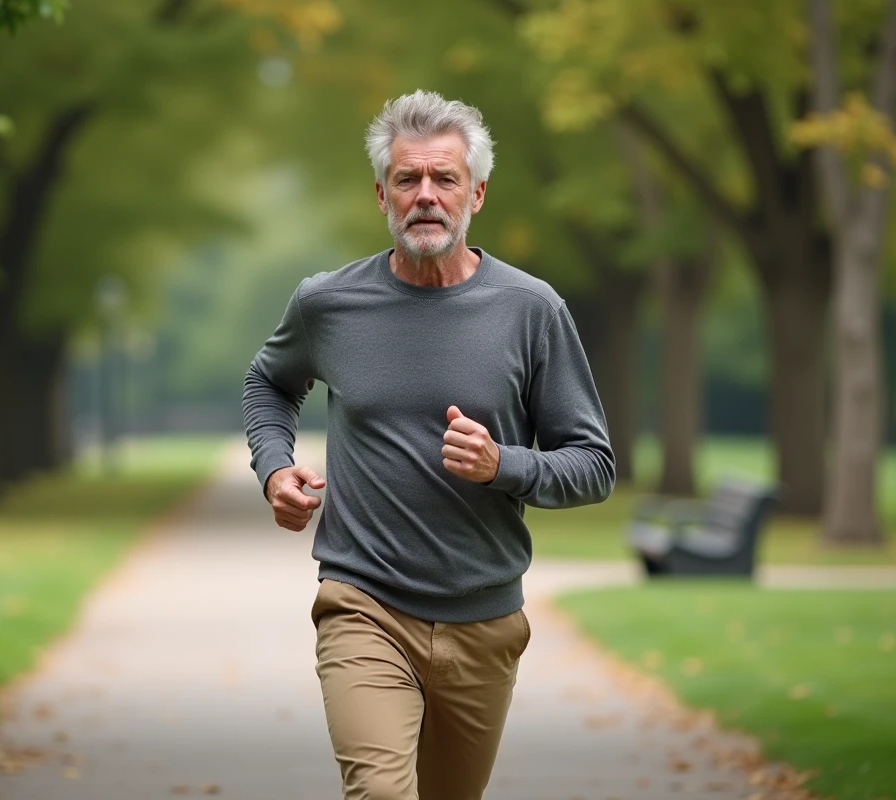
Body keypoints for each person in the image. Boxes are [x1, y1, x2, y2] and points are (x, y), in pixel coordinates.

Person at [241, 90, 615, 800]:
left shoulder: (532, 311)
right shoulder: (329, 303)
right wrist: (274, 468)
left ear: (477, 191)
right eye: (408, 179)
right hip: (364, 604)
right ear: (381, 193)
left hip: (484, 619)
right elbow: (268, 384)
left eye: (444, 179)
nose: (426, 196)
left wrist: (503, 464)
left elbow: (593, 465)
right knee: (381, 793)